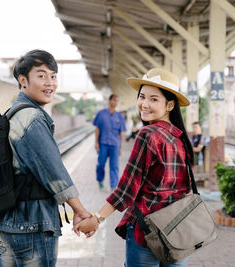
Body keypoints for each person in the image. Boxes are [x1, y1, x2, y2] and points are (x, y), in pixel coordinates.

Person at [75, 68, 193, 267]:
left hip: (148, 231)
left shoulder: (148, 135)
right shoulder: (180, 137)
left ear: (169, 105)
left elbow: (126, 190)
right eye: (142, 97)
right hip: (179, 229)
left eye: (154, 99)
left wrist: (97, 218)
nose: (144, 104)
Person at [0, 50, 91, 267]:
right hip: (32, 223)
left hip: (6, 221)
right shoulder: (32, 119)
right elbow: (53, 171)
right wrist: (80, 210)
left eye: (53, 76)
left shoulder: (12, 113)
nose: (50, 83)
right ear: (23, 80)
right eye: (41, 75)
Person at [93, 94, 126, 190]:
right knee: (100, 164)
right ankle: (100, 180)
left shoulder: (120, 116)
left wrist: (120, 147)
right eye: (114, 100)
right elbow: (97, 129)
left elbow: (120, 133)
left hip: (115, 145)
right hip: (103, 144)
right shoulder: (101, 114)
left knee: (114, 166)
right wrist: (96, 143)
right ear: (109, 101)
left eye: (117, 101)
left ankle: (113, 186)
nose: (115, 102)